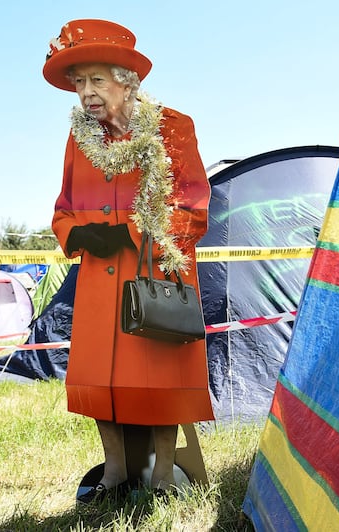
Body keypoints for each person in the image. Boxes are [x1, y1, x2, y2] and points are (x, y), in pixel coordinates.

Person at [42, 19, 213, 503]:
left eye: (98, 80)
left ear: (127, 80)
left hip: (156, 272)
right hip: (100, 279)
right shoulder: (80, 139)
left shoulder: (173, 128)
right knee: (101, 379)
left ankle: (161, 476)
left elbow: (193, 205)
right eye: (79, 83)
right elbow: (63, 208)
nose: (87, 93)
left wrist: (135, 233)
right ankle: (115, 473)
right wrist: (81, 233)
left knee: (158, 374)